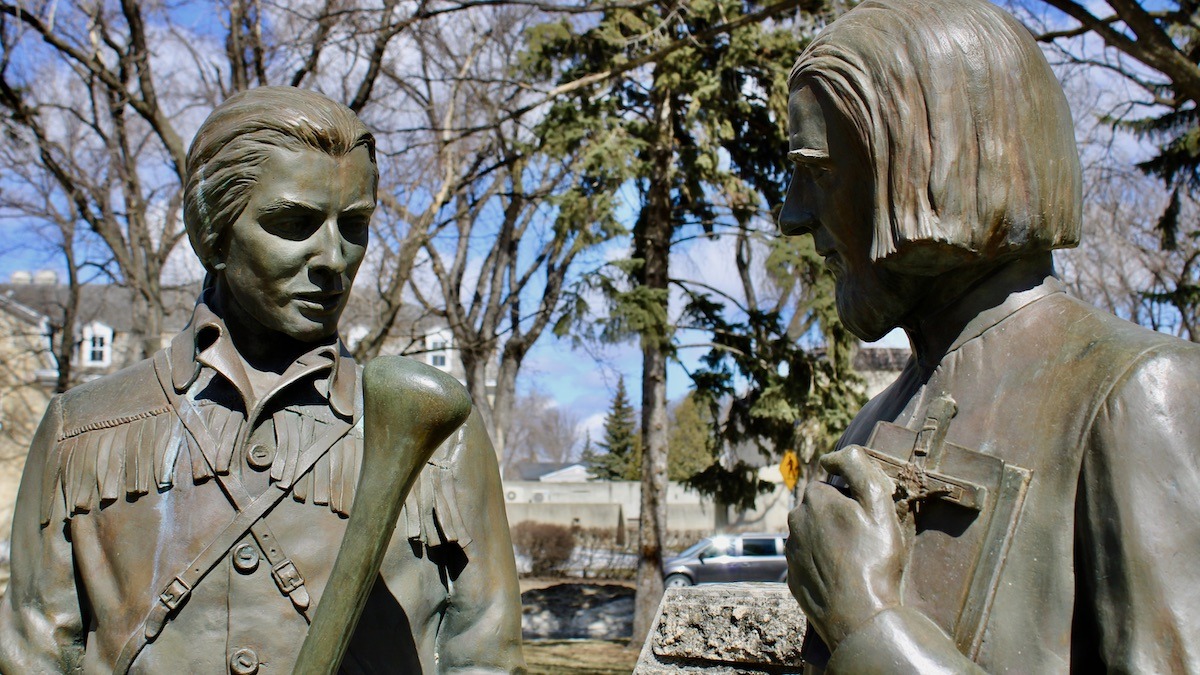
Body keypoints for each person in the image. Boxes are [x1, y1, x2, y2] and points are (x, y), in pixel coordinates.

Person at [0, 86, 525, 674]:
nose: (334, 257)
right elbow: (34, 655)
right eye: (294, 223)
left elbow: (482, 656)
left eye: (353, 226)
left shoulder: (438, 436)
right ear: (212, 234)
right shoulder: (83, 429)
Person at [779, 0, 1200, 672]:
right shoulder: (875, 418)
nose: (792, 214)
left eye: (821, 172)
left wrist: (869, 624)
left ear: (935, 168)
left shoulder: (1137, 394)